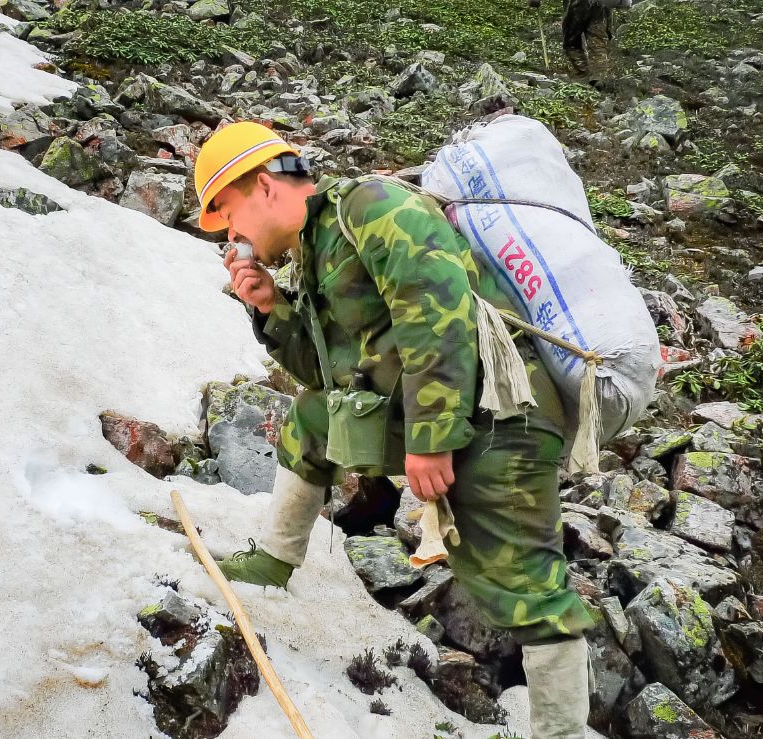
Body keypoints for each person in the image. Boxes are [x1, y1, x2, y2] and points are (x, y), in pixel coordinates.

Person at [193, 120, 595, 738]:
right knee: (309, 420)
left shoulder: (370, 207)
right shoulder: (316, 248)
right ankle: (273, 561)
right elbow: (327, 376)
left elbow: (436, 309)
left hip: (501, 415)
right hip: (430, 410)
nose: (233, 238)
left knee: (523, 583)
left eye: (228, 216)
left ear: (264, 184)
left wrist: (432, 439)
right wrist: (272, 309)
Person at [531, 0, 621, 81]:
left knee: (572, 43)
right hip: (601, 5)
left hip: (577, 5)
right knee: (597, 42)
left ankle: (583, 73)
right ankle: (600, 76)